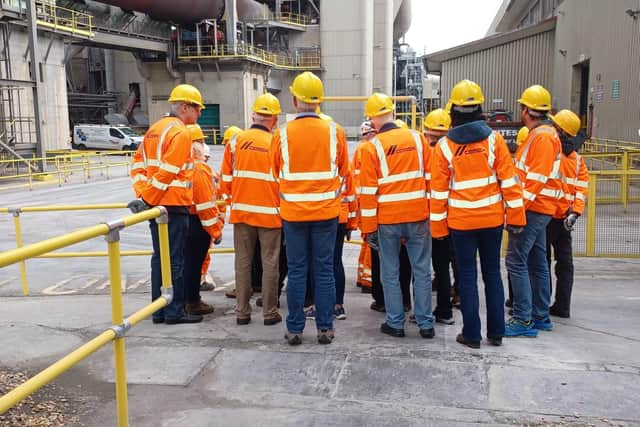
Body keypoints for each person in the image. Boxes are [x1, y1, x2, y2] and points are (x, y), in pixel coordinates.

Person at [430, 80, 526, 348]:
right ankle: (496, 332)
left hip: (461, 223)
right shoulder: (494, 141)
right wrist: (517, 218)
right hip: (491, 220)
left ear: (454, 111)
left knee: (468, 277)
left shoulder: (445, 147)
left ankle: (471, 335)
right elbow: (509, 181)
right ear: (480, 108)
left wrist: (438, 230)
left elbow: (438, 194)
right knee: (492, 275)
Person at [270, 71, 350, 345]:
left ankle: (294, 329)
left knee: (297, 270)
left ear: (294, 100)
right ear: (319, 102)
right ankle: (325, 328)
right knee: (324, 269)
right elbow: (344, 171)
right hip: (327, 213)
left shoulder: (281, 135)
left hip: (293, 214)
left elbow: (274, 172)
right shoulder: (335, 132)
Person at [359, 92, 434, 339]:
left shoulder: (372, 147)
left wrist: (368, 228)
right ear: (392, 111)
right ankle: (425, 323)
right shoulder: (418, 138)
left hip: (388, 219)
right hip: (418, 215)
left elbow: (368, 193)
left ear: (371, 118)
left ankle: (395, 322)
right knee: (421, 270)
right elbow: (430, 178)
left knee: (390, 272)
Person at [129, 83, 204, 325]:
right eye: (197, 108)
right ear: (184, 107)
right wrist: (148, 197)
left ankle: (159, 309)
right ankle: (174, 311)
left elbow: (138, 164)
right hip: (173, 205)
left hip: (156, 205)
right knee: (175, 259)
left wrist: (143, 194)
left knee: (158, 258)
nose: (200, 113)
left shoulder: (154, 130)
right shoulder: (180, 132)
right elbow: (169, 171)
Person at [505, 85, 566, 337]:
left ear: (527, 111)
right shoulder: (544, 134)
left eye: (522, 107)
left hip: (533, 208)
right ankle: (540, 316)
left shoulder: (541, 137)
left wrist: (517, 210)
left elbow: (536, 179)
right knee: (537, 260)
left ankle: (523, 319)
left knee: (515, 260)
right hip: (540, 208)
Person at [220, 93, 283, 326]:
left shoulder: (236, 141)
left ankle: (242, 312)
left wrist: (233, 203)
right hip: (270, 215)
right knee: (270, 264)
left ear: (254, 115)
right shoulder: (276, 143)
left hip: (242, 213)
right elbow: (284, 179)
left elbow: (225, 180)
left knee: (243, 263)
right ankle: (269, 313)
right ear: (274, 120)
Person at [547, 109, 589, 318]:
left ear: (561, 131)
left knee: (540, 263)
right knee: (565, 265)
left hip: (546, 217)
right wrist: (576, 213)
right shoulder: (579, 161)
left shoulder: (550, 154)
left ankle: (540, 304)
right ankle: (562, 306)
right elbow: (581, 190)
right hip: (566, 218)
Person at [183, 124, 224, 316]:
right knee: (193, 264)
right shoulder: (199, 169)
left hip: (182, 220)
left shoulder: (181, 165)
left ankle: (184, 300)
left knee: (185, 264)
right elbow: (206, 205)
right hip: (196, 224)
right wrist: (215, 231)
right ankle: (192, 301)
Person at [422, 108, 456, 325]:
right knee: (447, 266)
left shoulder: (425, 152)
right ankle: (447, 308)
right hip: (452, 217)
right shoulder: (453, 150)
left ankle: (430, 311)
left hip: (428, 218)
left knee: (427, 267)